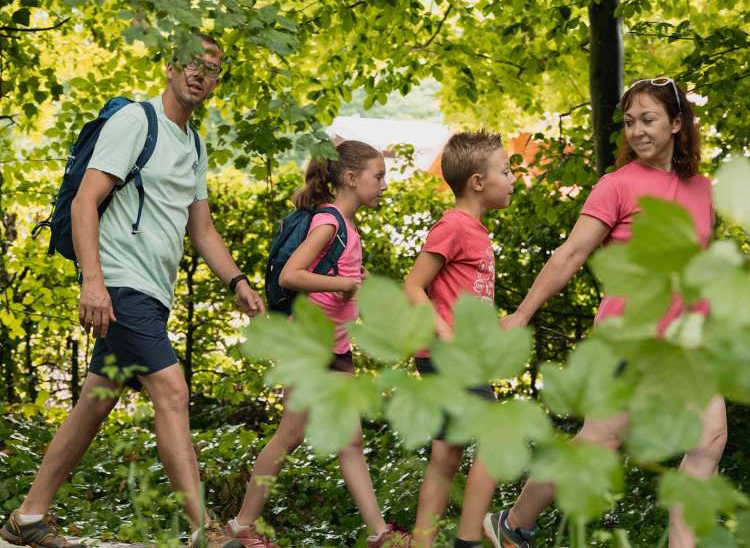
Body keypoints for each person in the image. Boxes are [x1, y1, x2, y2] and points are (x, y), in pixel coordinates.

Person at [1, 34, 265, 548]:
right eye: (191, 63)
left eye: (211, 69)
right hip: (122, 284)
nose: (199, 73)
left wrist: (237, 281)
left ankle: (28, 517)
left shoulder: (194, 145)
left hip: (153, 291)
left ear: (216, 82)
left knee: (95, 402)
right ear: (171, 67)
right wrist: (93, 282)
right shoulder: (135, 122)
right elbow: (84, 201)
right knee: (172, 391)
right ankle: (204, 530)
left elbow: (202, 228)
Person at [483, 78, 727, 548]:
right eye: (630, 122)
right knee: (599, 442)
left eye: (648, 119)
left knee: (709, 439)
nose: (637, 131)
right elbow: (571, 255)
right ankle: (512, 525)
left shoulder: (701, 189)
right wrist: (522, 313)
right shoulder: (617, 185)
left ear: (677, 123)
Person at [221, 141, 409, 548]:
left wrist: (355, 292)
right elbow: (291, 275)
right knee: (291, 433)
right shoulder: (329, 221)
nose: (384, 185)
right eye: (378, 176)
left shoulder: (347, 225)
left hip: (334, 346)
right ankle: (242, 526)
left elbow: (334, 283)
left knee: (351, 439)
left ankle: (378, 534)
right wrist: (344, 284)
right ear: (351, 178)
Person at [404, 131, 516, 548]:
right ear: (478, 182)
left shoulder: (476, 231)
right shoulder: (453, 226)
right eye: (506, 170)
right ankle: (468, 540)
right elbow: (413, 286)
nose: (513, 178)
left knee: (446, 455)